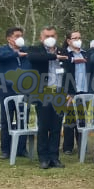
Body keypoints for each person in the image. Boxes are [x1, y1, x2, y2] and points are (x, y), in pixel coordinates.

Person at [25, 27, 68, 169]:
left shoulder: (62, 50)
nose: (50, 38)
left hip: (59, 92)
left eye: (52, 35)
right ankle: (43, 158)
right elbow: (33, 58)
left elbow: (69, 71)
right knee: (43, 126)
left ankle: (54, 157)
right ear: (41, 38)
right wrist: (54, 56)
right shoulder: (35, 49)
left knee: (56, 127)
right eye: (47, 36)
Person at [0, 26, 30, 159]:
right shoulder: (2, 50)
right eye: (17, 36)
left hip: (24, 90)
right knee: (6, 119)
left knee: (23, 119)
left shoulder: (26, 51)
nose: (20, 38)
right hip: (7, 90)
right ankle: (6, 150)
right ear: (9, 38)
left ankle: (21, 149)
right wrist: (15, 54)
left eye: (21, 35)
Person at [61, 30, 89, 156]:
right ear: (68, 41)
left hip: (84, 89)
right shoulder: (64, 53)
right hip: (71, 91)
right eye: (75, 38)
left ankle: (82, 145)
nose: (78, 40)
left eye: (79, 37)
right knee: (70, 119)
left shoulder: (85, 53)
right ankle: (68, 147)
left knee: (82, 119)